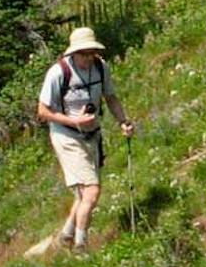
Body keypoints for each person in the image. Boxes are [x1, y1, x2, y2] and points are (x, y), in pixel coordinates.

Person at [34, 26, 134, 254]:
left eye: (91, 53)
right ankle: (81, 245)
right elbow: (42, 111)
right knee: (92, 191)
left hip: (92, 135)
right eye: (83, 53)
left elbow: (111, 98)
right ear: (73, 53)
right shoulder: (58, 73)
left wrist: (123, 122)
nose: (88, 58)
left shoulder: (100, 67)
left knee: (83, 195)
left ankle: (65, 237)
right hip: (66, 136)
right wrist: (74, 121)